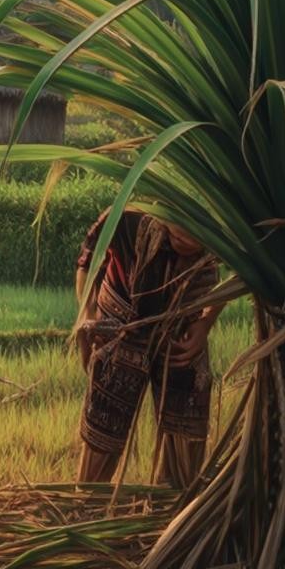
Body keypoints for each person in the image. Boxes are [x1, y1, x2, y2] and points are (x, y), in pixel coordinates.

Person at [74, 208, 223, 489]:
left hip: (181, 330)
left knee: (185, 423)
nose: (185, 244)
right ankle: (88, 505)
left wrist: (204, 325)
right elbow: (87, 260)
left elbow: (235, 277)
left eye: (195, 241)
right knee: (105, 423)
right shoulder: (126, 216)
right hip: (121, 325)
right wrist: (87, 312)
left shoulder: (218, 218)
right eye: (178, 234)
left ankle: (174, 508)